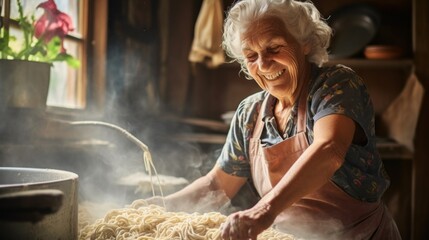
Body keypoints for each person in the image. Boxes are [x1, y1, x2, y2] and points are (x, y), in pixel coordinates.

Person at [145, 0, 402, 239]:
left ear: (304, 43)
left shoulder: (335, 84)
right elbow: (218, 185)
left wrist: (263, 211)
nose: (264, 64)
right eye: (251, 56)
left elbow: (329, 149)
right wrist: (161, 207)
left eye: (274, 48)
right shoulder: (250, 113)